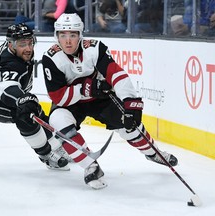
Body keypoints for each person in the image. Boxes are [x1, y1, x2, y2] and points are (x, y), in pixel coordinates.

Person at [41, 13, 178, 189]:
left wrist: (131, 102)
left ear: (80, 35)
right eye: (63, 35)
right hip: (71, 104)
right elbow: (58, 96)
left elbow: (117, 74)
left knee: (130, 126)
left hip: (100, 99)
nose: (68, 41)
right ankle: (90, 166)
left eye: (73, 35)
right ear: (56, 36)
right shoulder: (51, 58)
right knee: (58, 122)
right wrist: (85, 87)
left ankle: (154, 152)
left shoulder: (95, 48)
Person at [0, 23, 69, 171]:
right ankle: (46, 155)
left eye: (30, 42)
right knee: (23, 114)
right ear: (11, 45)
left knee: (37, 111)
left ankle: (56, 146)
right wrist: (20, 100)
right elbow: (6, 88)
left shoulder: (14, 48)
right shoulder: (9, 64)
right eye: (23, 44)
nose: (28, 48)